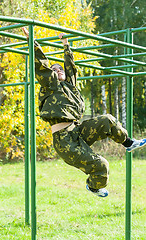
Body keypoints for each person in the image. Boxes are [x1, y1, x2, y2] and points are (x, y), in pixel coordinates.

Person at [22, 27, 146, 197]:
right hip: (65, 141)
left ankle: (128, 143)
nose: (58, 70)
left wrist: (66, 45)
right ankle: (93, 186)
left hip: (78, 130)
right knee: (102, 165)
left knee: (107, 120)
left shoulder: (70, 87)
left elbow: (71, 68)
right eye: (55, 69)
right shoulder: (50, 85)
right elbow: (41, 64)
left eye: (60, 69)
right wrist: (32, 41)